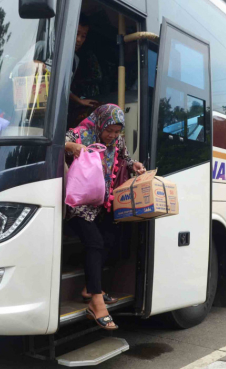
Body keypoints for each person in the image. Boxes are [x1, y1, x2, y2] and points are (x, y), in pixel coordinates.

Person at [64, 104, 145, 330]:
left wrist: (135, 165)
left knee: (110, 240)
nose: (112, 135)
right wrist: (72, 146)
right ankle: (96, 302)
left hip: (102, 200)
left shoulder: (117, 141)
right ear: (100, 123)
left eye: (117, 131)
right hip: (79, 202)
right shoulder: (80, 133)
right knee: (95, 243)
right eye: (109, 130)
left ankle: (89, 288)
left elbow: (126, 158)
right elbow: (57, 143)